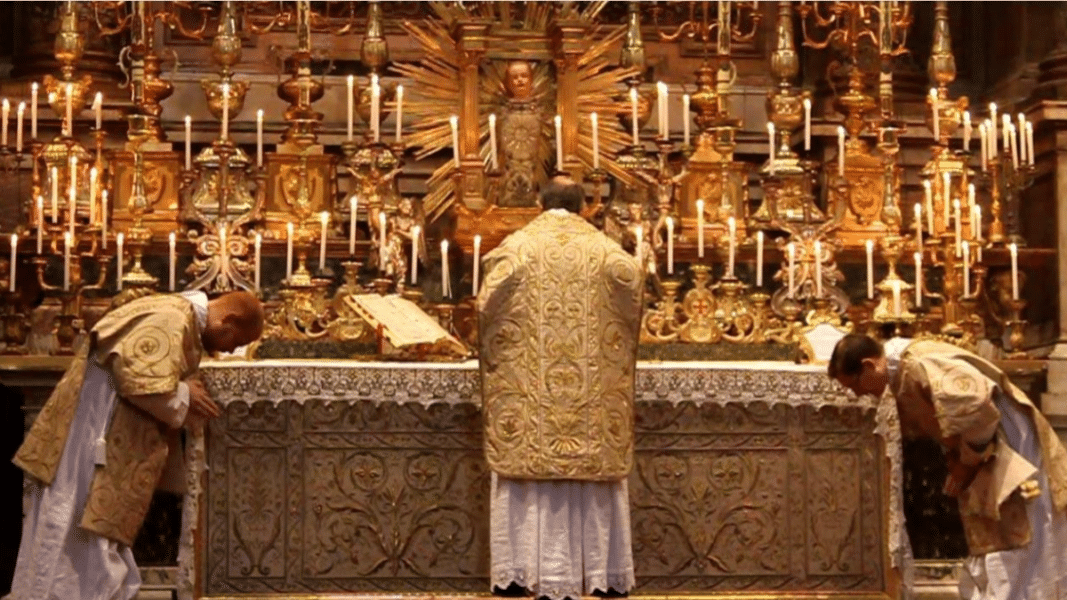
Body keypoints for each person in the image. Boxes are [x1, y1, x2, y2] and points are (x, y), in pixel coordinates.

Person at [9, 290, 265, 600]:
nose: (226, 350)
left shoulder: (176, 313)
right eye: (234, 342)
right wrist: (185, 395)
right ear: (229, 321)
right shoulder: (172, 318)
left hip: (99, 434)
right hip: (92, 440)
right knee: (81, 537)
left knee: (91, 540)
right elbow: (139, 384)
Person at [478, 177, 643, 600]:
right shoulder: (607, 251)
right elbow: (631, 283)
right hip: (590, 398)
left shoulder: (517, 248)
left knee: (528, 468)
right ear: (586, 206)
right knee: (591, 469)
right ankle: (602, 576)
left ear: (538, 201)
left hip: (531, 401)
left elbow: (485, 303)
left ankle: (519, 574)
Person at [829, 334, 1067, 600]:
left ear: (869, 366)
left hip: (1008, 447)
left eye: (855, 385)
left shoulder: (919, 364)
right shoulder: (903, 372)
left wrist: (966, 462)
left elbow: (978, 408)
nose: (857, 394)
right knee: (998, 540)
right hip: (986, 448)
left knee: (1019, 542)